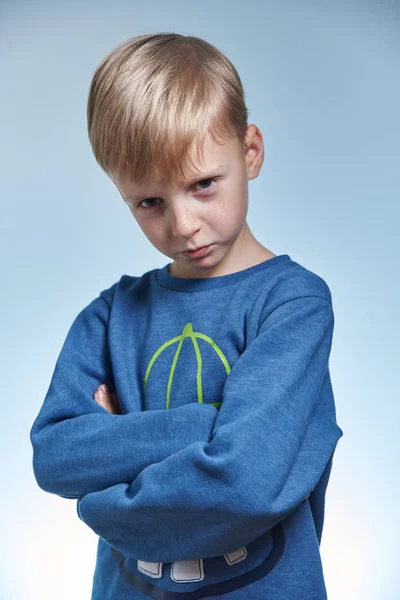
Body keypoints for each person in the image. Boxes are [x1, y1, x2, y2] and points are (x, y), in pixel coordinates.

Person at [29, 32, 343, 599]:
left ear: (249, 151)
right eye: (150, 202)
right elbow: (55, 457)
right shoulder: (109, 316)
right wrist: (210, 425)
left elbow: (245, 480)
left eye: (203, 185)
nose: (183, 225)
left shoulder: (293, 305)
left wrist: (116, 448)